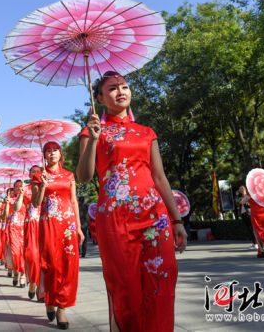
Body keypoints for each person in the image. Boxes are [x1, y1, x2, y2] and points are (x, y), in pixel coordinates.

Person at [77, 71, 187, 332]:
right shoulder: (92, 132)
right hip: (116, 221)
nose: (121, 91)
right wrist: (93, 139)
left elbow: (160, 178)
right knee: (125, 289)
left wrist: (177, 220)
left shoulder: (146, 132)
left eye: (124, 86)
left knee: (161, 284)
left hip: (155, 217)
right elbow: (84, 176)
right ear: (100, 98)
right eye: (113, 88)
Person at [32, 141, 84, 329]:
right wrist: (43, 185)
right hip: (49, 225)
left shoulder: (69, 175)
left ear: (60, 154)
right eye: (48, 151)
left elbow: (74, 201)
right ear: (44, 155)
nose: (52, 154)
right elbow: (36, 204)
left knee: (68, 265)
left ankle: (62, 308)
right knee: (51, 264)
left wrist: (78, 227)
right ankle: (49, 299)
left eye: (55, 150)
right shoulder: (38, 176)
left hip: (68, 225)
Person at [23, 165, 43, 300]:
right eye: (33, 172)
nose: (36, 173)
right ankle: (32, 282)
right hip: (30, 224)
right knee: (31, 255)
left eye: (38, 171)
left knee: (43, 258)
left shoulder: (46, 185)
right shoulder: (25, 190)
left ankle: (41, 288)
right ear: (29, 175)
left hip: (44, 222)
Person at [6, 180, 27, 288]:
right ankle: (15, 273)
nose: (18, 188)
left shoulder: (27, 199)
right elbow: (6, 215)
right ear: (13, 189)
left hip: (24, 228)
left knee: (23, 253)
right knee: (15, 253)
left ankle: (23, 275)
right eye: (16, 186)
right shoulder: (11, 201)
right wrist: (6, 203)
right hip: (13, 228)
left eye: (20, 186)